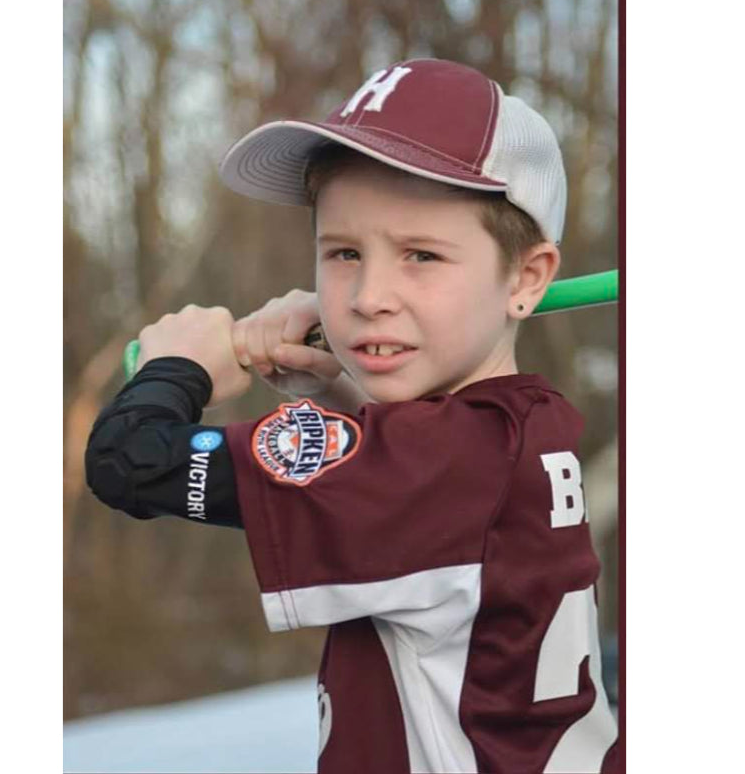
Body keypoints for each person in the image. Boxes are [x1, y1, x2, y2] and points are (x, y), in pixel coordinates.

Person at [85, 58, 618, 773]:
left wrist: (176, 366)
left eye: (421, 255)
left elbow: (130, 462)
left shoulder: (436, 463)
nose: (369, 295)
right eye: (343, 252)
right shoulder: (522, 426)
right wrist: (329, 390)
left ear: (525, 279)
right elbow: (399, 479)